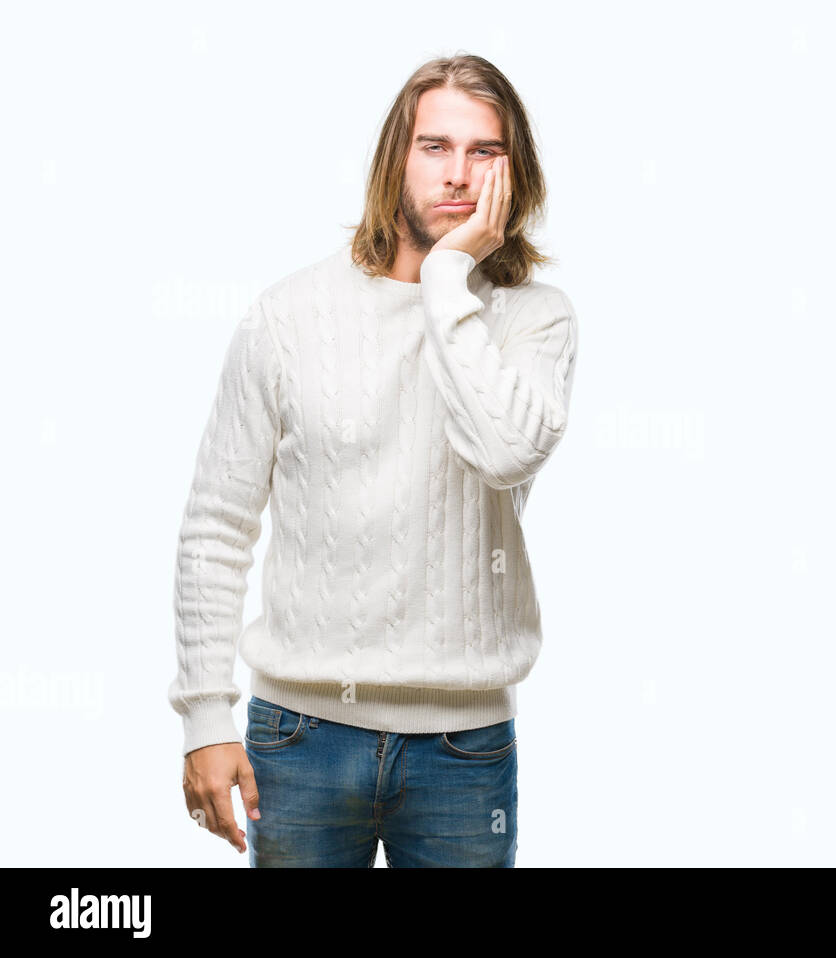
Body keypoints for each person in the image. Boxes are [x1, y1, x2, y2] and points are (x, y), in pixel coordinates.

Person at [170, 53, 578, 867]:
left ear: (514, 170)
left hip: (464, 749)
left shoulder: (535, 321)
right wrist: (204, 719)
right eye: (435, 146)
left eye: (484, 151)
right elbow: (217, 525)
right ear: (396, 156)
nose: (458, 174)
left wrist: (448, 275)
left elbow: (503, 451)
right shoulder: (289, 316)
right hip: (299, 739)